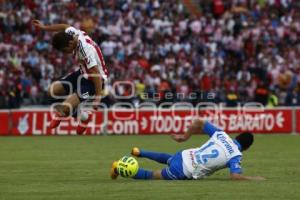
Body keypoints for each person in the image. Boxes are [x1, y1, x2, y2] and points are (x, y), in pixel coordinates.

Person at [111, 119, 265, 181]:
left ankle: (139, 152)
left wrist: (184, 137)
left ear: (237, 136)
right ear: (246, 148)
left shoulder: (221, 134)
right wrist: (254, 179)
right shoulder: (236, 155)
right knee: (151, 175)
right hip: (185, 170)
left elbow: (199, 122)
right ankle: (119, 167)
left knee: (168, 158)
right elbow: (235, 176)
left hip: (185, 155)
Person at [32, 20, 108, 134]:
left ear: (70, 44)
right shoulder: (72, 34)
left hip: (94, 81)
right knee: (51, 91)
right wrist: (44, 28)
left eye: (64, 50)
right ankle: (81, 115)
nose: (65, 53)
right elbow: (64, 26)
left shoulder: (85, 50)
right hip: (82, 73)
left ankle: (76, 115)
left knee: (65, 107)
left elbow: (95, 73)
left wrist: (98, 97)